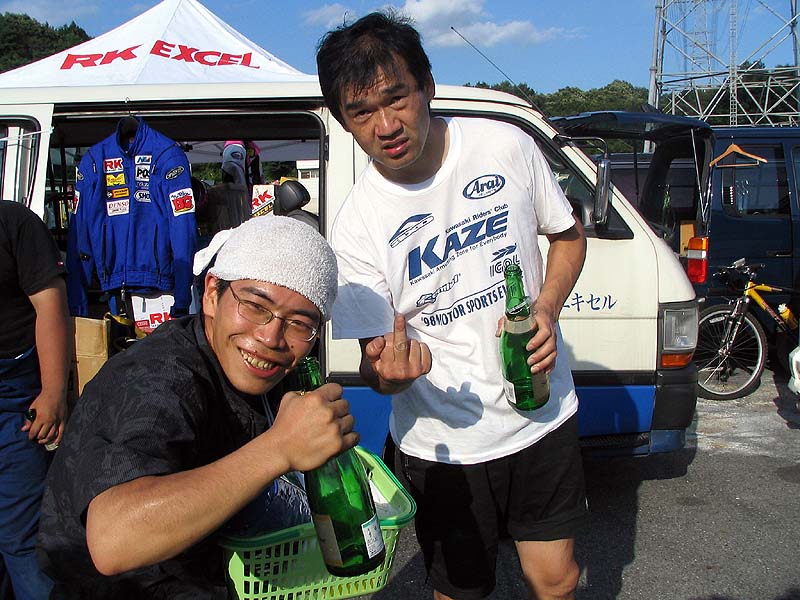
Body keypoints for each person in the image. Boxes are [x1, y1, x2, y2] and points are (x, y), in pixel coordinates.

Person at [317, 11, 588, 600]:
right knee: (459, 592)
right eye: (361, 112)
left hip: (542, 412)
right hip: (442, 443)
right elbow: (376, 364)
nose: (386, 125)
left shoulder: (504, 144)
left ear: (428, 86)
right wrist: (388, 375)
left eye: (397, 98)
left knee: (557, 581)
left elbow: (567, 237)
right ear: (342, 120)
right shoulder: (356, 225)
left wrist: (546, 308)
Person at [37, 216, 353, 598]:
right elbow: (113, 540)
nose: (271, 337)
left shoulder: (270, 369)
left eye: (300, 324)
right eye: (255, 306)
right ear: (211, 293)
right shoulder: (159, 379)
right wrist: (279, 448)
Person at [0, 200, 70, 600]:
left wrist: (53, 392)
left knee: (22, 537)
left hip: (13, 398)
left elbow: (50, 304)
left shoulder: (14, 223)